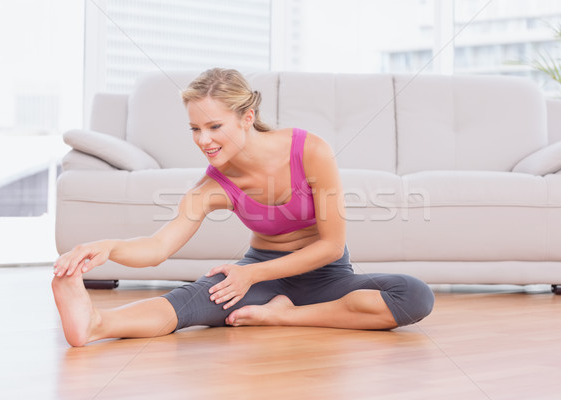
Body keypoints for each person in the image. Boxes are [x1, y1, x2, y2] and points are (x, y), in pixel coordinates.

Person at [52, 68, 435, 347]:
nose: (204, 140)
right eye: (195, 129)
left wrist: (253, 281)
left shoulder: (310, 151)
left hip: (326, 276)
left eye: (214, 126)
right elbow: (158, 248)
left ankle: (284, 318)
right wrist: (106, 248)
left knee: (414, 295)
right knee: (187, 303)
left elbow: (332, 246)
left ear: (247, 117)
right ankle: (97, 323)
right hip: (257, 278)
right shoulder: (212, 186)